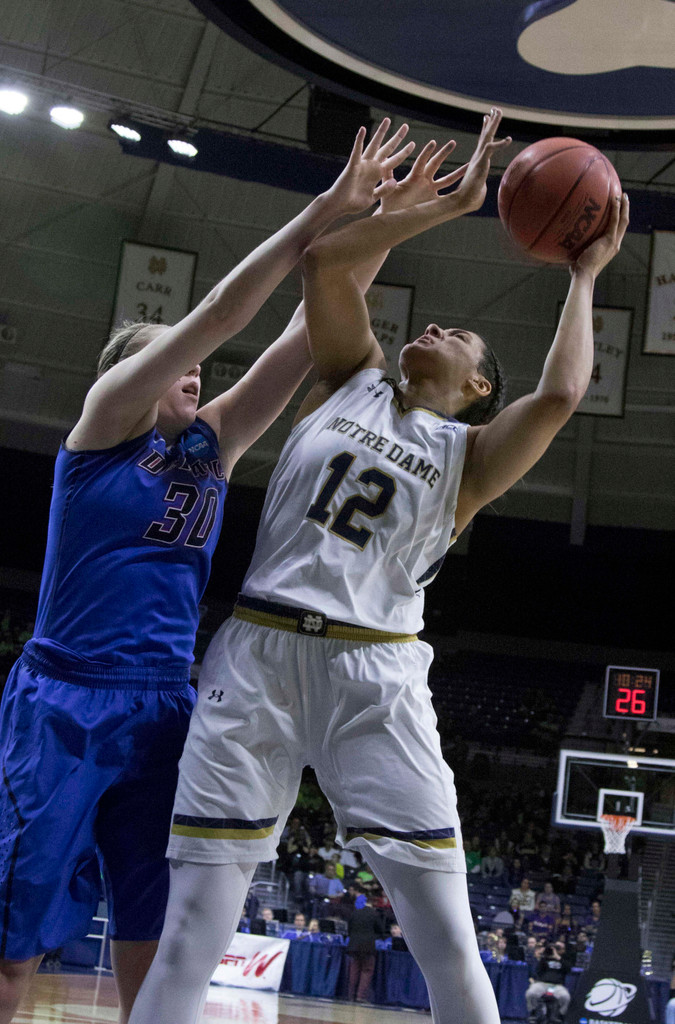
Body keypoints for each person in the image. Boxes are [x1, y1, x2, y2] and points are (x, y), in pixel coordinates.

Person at [129, 109, 628, 1024]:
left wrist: (584, 274)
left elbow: (561, 393)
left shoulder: (470, 457)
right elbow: (326, 263)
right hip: (259, 655)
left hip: (376, 675)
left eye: (458, 338)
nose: (434, 325)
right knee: (194, 925)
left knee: (442, 932)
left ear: (479, 387)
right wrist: (447, 207)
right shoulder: (348, 373)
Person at [0, 120, 414, 1024]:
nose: (195, 373)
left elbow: (308, 335)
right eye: (173, 362)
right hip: (63, 701)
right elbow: (223, 311)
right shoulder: (101, 431)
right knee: (6, 956)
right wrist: (324, 208)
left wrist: (376, 223)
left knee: (155, 950)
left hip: (161, 705)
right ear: (136, 372)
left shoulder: (211, 444)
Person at [346, 894, 384, 1002]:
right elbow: (380, 930)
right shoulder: (374, 914)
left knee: (354, 970)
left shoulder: (354, 913)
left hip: (353, 946)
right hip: (368, 947)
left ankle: (351, 995)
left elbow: (349, 930)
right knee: (366, 970)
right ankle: (360, 996)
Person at [526, 942, 572, 1023]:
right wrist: (544, 957)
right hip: (542, 984)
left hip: (557, 985)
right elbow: (538, 970)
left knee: (565, 997)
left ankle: (560, 1015)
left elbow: (568, 969)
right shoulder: (544, 960)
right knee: (531, 993)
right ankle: (533, 1012)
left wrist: (557, 957)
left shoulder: (564, 959)